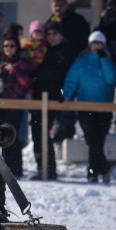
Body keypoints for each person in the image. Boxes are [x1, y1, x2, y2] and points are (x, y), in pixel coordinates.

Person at [61, 31, 116, 182]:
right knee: (93, 140)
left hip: (104, 108)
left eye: (100, 44)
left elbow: (112, 79)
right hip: (85, 108)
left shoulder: (108, 60)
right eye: (94, 43)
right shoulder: (81, 61)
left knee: (98, 140)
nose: (97, 46)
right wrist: (66, 95)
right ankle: (97, 170)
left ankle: (97, 170)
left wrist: (104, 60)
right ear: (89, 44)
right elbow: (71, 80)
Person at [30, 21, 79, 180]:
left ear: (61, 35)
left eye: (54, 34)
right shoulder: (44, 49)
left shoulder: (67, 51)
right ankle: (42, 168)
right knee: (37, 133)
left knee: (47, 133)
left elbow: (60, 74)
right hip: (39, 96)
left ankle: (49, 169)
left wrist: (38, 78)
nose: (51, 37)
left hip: (57, 97)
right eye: (49, 34)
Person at [0, 30, 32, 177]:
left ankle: (14, 170)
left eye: (12, 45)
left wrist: (13, 70)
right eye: (6, 45)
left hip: (14, 105)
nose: (8, 48)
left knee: (11, 137)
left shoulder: (22, 63)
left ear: (17, 47)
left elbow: (26, 82)